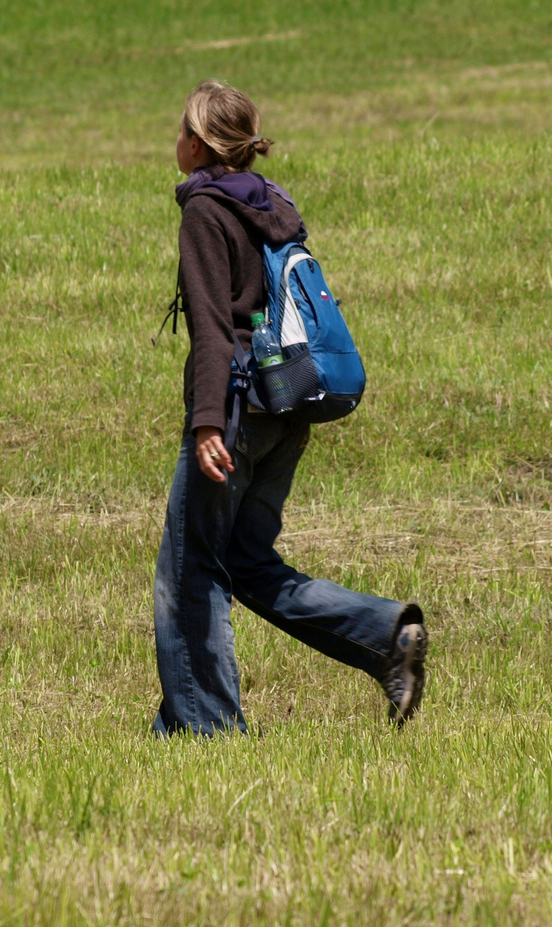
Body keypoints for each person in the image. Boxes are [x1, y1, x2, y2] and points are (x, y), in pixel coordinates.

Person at [153, 79, 427, 737]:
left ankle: (206, 732)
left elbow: (216, 329)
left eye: (180, 132)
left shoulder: (205, 211)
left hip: (239, 413)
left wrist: (209, 420)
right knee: (246, 561)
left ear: (196, 142)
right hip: (287, 403)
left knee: (191, 574)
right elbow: (264, 309)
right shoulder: (273, 204)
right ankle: (383, 636)